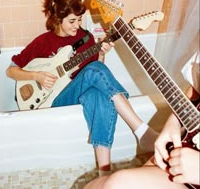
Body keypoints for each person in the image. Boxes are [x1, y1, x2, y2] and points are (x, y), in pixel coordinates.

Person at [6, 0, 158, 176]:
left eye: (79, 19)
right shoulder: (43, 42)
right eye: (72, 21)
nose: (77, 25)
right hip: (53, 100)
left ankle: (104, 173)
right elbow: (11, 70)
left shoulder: (86, 38)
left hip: (80, 94)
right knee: (94, 72)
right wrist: (37, 76)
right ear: (57, 19)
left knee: (99, 95)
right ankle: (141, 130)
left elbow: (100, 74)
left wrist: (102, 53)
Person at [85, 51, 200, 188]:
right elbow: (195, 89)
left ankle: (142, 132)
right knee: (102, 185)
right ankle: (142, 133)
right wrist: (173, 121)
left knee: (95, 73)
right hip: (189, 152)